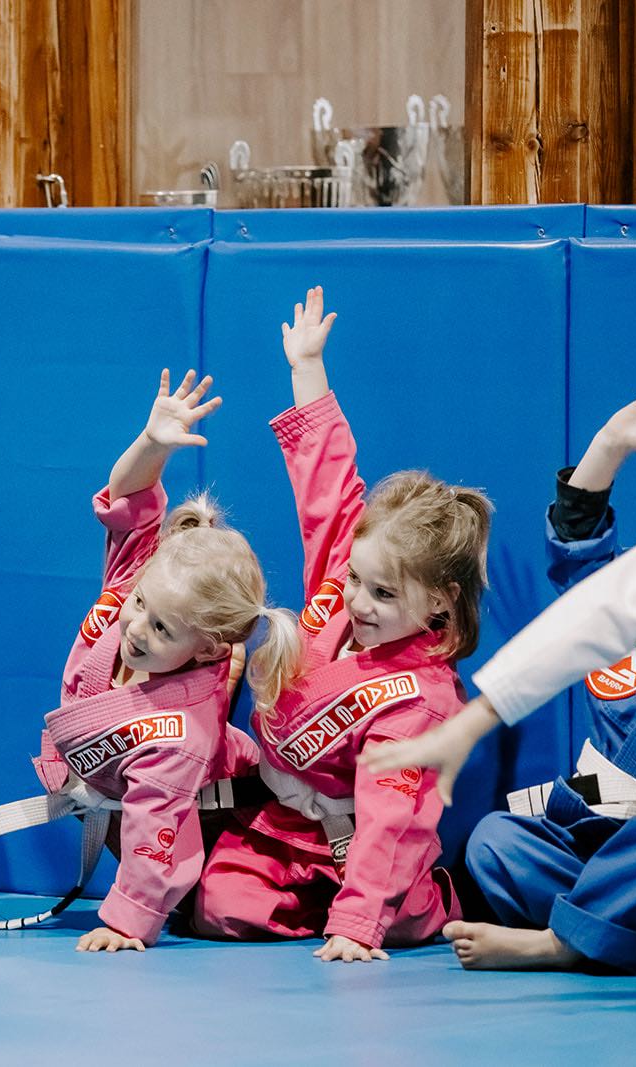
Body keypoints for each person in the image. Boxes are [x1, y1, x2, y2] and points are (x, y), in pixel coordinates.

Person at [195, 287, 493, 962]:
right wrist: (307, 369)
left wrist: (356, 924)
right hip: (280, 824)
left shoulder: (422, 700)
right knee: (222, 909)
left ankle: (417, 899)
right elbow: (328, 483)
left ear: (439, 603)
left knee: (396, 917)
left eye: (382, 593)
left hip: (366, 846)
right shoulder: (345, 574)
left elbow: (392, 819)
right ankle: (319, 904)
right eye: (355, 579)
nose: (356, 599)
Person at [367, 505, 636, 985]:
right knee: (494, 842)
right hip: (606, 845)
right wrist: (476, 719)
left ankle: (563, 944)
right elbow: (590, 608)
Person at [24, 370, 296, 952]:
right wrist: (153, 443)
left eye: (162, 628)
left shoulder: (178, 734)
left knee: (221, 912)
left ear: (210, 648)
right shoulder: (142, 582)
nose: (135, 627)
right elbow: (128, 503)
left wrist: (129, 920)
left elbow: (156, 831)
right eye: (141, 604)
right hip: (121, 790)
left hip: (213, 820)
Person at [448, 392, 636, 973]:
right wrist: (610, 447)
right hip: (593, 848)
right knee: (494, 841)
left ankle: (560, 944)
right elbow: (580, 553)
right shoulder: (629, 637)